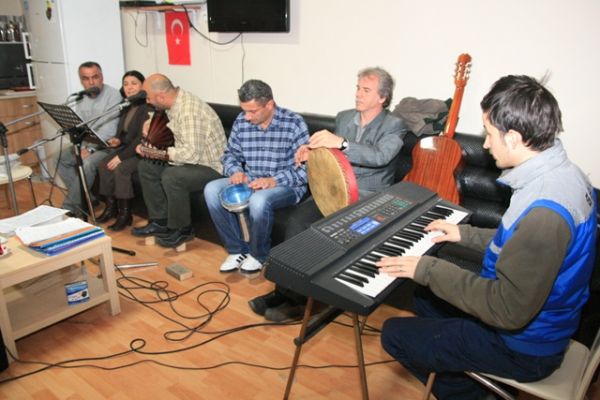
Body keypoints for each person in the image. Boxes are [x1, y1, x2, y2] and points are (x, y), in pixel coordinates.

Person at [377, 75, 597, 400]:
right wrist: (462, 233)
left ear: (514, 138)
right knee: (424, 298)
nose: (484, 144)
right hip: (543, 325)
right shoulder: (565, 176)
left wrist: (427, 268)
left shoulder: (545, 213)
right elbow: (518, 241)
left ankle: (476, 393)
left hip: (524, 348)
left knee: (394, 333)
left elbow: (506, 310)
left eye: (489, 134)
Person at [249, 66, 408, 321]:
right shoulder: (344, 117)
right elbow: (331, 156)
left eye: (366, 90)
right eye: (358, 88)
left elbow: (381, 156)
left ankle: (302, 302)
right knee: (296, 222)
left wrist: (342, 143)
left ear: (382, 97)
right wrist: (310, 151)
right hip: (334, 190)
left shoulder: (395, 125)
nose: (358, 94)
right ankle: (283, 292)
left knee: (322, 231)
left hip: (368, 197)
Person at [204, 79, 310, 274]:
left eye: (252, 111)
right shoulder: (241, 121)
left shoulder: (294, 123)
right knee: (211, 190)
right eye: (244, 110)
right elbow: (230, 155)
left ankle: (259, 255)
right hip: (251, 179)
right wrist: (236, 171)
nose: (247, 116)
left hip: (286, 185)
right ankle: (237, 250)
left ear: (269, 104)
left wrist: (273, 181)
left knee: (259, 200)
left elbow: (306, 170)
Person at [132, 74, 226, 248]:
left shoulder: (189, 111)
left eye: (149, 98)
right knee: (146, 167)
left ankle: (182, 229)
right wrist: (149, 122)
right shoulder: (173, 103)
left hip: (211, 167)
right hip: (191, 161)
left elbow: (190, 155)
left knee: (173, 176)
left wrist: (157, 153)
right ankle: (159, 222)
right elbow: (167, 125)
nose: (147, 101)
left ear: (161, 96)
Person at [57, 61, 122, 217]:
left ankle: (70, 207)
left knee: (87, 163)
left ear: (102, 77)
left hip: (106, 146)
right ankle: (89, 199)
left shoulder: (113, 96)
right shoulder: (81, 98)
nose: (91, 82)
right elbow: (80, 126)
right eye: (86, 78)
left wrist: (90, 149)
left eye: (95, 77)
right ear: (81, 81)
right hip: (87, 143)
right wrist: (81, 146)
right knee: (59, 159)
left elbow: (110, 130)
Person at [96, 70, 150, 231]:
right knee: (103, 165)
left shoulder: (147, 107)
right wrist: (118, 139)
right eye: (126, 84)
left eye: (134, 83)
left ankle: (125, 214)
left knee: (121, 169)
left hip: (142, 151)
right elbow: (125, 132)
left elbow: (140, 138)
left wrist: (120, 157)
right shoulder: (127, 104)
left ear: (143, 86)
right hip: (127, 148)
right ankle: (111, 207)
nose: (129, 87)